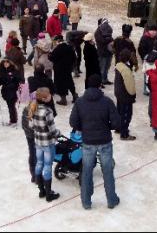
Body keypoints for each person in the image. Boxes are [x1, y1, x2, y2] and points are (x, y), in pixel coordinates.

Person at [70, 74, 121, 210]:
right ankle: (111, 200)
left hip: (88, 142)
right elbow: (116, 123)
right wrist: (107, 126)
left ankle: (86, 201)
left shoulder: (80, 102)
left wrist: (84, 128)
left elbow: (73, 122)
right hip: (104, 141)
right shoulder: (107, 102)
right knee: (108, 171)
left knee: (87, 171)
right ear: (99, 85)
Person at [30, 87, 61, 202]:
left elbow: (31, 126)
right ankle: (49, 194)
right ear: (44, 98)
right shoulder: (48, 111)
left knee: (39, 163)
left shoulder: (33, 107)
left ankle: (41, 191)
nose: (50, 96)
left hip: (38, 142)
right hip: (48, 143)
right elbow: (53, 131)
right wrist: (58, 133)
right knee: (47, 166)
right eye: (49, 95)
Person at [48, 35, 77, 105]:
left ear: (58, 40)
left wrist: (49, 55)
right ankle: (75, 95)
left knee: (60, 84)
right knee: (70, 81)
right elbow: (74, 57)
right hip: (68, 68)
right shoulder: (69, 47)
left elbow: (52, 58)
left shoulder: (57, 49)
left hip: (59, 70)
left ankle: (63, 100)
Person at [114, 50, 137, 141]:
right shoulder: (126, 69)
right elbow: (130, 86)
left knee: (119, 112)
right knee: (126, 115)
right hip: (125, 95)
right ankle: (124, 134)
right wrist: (133, 95)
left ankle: (119, 128)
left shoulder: (118, 66)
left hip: (119, 93)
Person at [0, 59, 24, 125]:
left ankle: (13, 120)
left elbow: (19, 79)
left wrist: (18, 84)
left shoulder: (14, 71)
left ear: (10, 63)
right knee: (10, 106)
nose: (5, 64)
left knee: (11, 106)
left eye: (7, 62)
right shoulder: (2, 71)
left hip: (13, 91)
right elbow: (0, 80)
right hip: (5, 91)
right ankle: (13, 119)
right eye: (4, 63)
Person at [94, 18, 114, 85]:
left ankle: (105, 80)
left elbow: (111, 38)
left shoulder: (107, 30)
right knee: (102, 68)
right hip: (102, 53)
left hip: (108, 53)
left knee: (107, 67)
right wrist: (109, 39)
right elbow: (102, 41)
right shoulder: (97, 32)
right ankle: (100, 81)